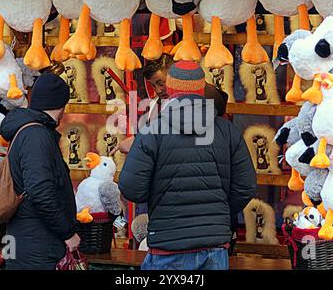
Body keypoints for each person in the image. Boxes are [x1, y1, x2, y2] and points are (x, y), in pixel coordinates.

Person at [118, 61, 257, 270]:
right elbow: (245, 186)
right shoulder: (228, 131)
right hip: (214, 247)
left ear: (171, 88)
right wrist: (218, 212)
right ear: (202, 89)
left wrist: (163, 199)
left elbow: (131, 188)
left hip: (168, 244)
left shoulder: (153, 131)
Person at [0, 72, 80, 270]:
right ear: (61, 105)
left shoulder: (29, 131)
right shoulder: (36, 135)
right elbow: (40, 191)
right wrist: (67, 233)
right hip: (38, 248)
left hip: (27, 242)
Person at [110, 53, 229, 155]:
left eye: (161, 83)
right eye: (153, 85)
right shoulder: (156, 104)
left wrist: (138, 143)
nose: (157, 90)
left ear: (175, 76)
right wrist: (137, 139)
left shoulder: (205, 96)